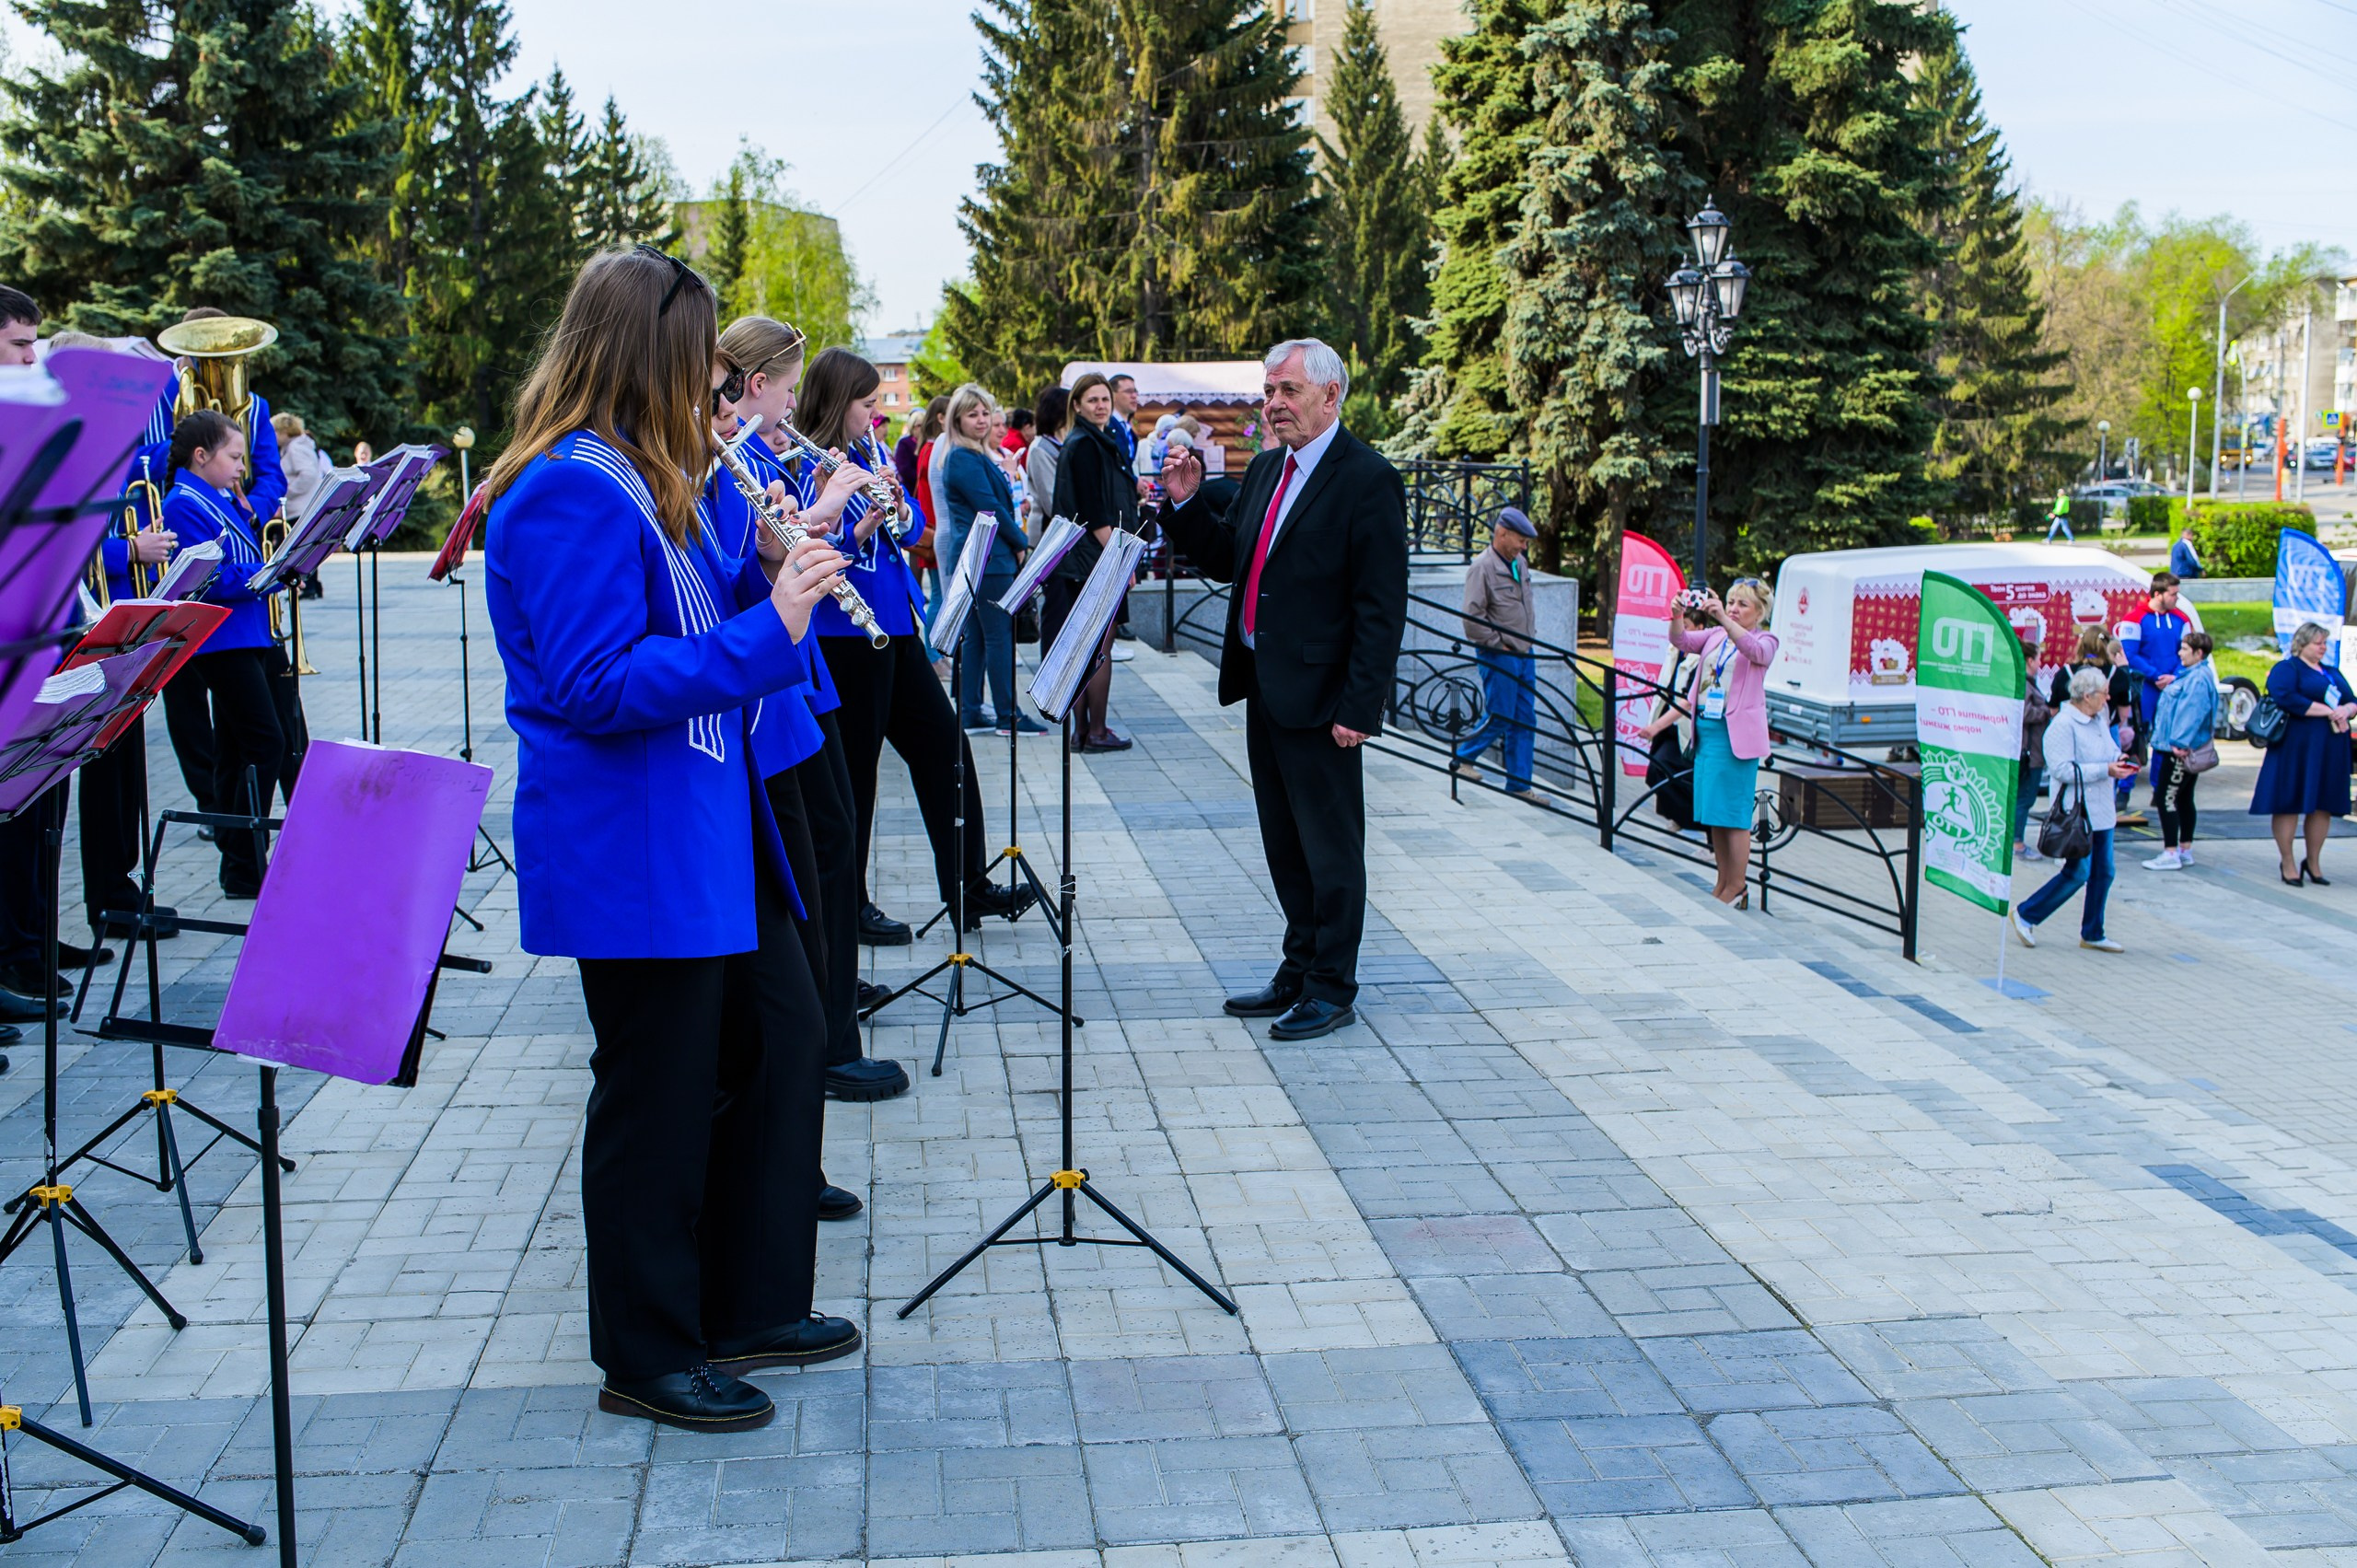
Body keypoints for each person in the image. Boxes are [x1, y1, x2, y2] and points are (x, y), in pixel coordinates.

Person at [482, 247, 861, 1434]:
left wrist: (773, 567)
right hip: (634, 844)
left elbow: (703, 625)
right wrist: (775, 621)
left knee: (779, 1042)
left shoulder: (653, 477)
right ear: (646, 352)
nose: (718, 385)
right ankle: (646, 1350)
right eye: (702, 360)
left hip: (705, 821)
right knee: (657, 1093)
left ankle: (745, 1301)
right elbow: (596, 683)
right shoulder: (567, 488)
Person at [1158, 338, 1408, 1042]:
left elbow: (1381, 607)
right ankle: (1298, 968)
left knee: (1330, 850)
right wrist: (1186, 505)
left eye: (1288, 390)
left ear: (1331, 395)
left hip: (1324, 700)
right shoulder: (1269, 467)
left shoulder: (1368, 479)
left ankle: (1332, 987)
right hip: (1265, 686)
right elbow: (1229, 559)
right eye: (1269, 390)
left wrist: (1360, 706)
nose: (1273, 403)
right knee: (1285, 843)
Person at [713, 315, 910, 1113]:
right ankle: (826, 1035)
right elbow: (734, 569)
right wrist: (822, 510)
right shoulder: (736, 457)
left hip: (798, 679)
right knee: (823, 850)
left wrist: (821, 524)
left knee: (832, 840)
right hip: (770, 686)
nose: (793, 407)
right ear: (756, 385)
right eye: (787, 390)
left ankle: (829, 1002)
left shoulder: (755, 454)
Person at [790, 348, 1030, 945]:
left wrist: (896, 507)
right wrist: (858, 526)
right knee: (857, 774)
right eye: (867, 404)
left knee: (945, 748)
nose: (875, 416)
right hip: (845, 636)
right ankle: (850, 905)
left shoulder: (866, 450)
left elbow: (914, 524)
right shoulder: (805, 461)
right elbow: (804, 547)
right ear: (838, 401)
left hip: (895, 625)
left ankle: (968, 883)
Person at [161, 411, 287, 898]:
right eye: (233, 457)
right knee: (265, 743)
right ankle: (244, 859)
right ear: (201, 456)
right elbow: (207, 577)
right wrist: (268, 573)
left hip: (247, 633)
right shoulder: (182, 502)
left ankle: (240, 867)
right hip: (221, 639)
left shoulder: (216, 497)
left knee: (237, 750)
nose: (241, 467)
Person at [939, 383, 1045, 737]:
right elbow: (991, 508)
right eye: (973, 414)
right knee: (999, 638)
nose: (982, 420)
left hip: (985, 558)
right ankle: (1007, 716)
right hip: (988, 558)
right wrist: (1022, 543)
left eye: (985, 412)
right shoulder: (963, 457)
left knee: (981, 638)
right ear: (957, 419)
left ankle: (970, 711)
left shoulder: (975, 454)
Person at [1045, 372, 1140, 751]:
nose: (1101, 406)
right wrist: (1121, 561)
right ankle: (1095, 732)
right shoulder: (1084, 443)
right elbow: (1093, 511)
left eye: (1105, 399)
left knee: (1087, 648)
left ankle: (1083, 732)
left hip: (1088, 558)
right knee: (1098, 648)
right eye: (1093, 400)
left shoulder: (1094, 439)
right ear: (1078, 406)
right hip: (1094, 559)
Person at [1671, 579, 1780, 907]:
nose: (1733, 608)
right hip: (1708, 731)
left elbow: (1754, 652)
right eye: (1731, 602)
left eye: (1742, 604)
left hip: (1736, 739)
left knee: (1733, 813)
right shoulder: (1716, 636)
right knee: (1714, 812)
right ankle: (1723, 881)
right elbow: (1681, 640)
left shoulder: (1765, 639)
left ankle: (1738, 885)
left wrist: (1723, 618)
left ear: (1760, 612)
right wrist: (1676, 615)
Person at [2013, 667, 2137, 952]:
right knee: (2078, 872)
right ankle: (2026, 914)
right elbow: (2061, 770)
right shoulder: (2063, 725)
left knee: (2104, 872)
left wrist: (2120, 759)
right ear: (2087, 696)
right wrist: (2106, 769)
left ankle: (2093, 932)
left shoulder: (2099, 718)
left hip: (2102, 811)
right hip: (2077, 812)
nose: (2108, 698)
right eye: (2104, 693)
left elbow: (2109, 749)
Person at [1449, 507, 1545, 805]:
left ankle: (1519, 784)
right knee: (1501, 714)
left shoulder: (1519, 563)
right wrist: (1497, 644)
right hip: (1500, 654)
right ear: (1502, 534)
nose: (1524, 547)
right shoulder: (1482, 567)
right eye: (1520, 540)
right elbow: (1472, 618)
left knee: (1525, 718)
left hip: (1524, 652)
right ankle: (1462, 758)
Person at [2252, 621, 2356, 887]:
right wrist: (2328, 711)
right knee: (2288, 802)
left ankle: (2313, 862)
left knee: (2322, 804)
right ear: (2302, 643)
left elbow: (2352, 700)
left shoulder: (2331, 672)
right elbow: (2285, 697)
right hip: (2295, 748)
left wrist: (2345, 710)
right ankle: (2287, 862)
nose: (2323, 648)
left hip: (2329, 748)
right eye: (2317, 643)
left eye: (2324, 643)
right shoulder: (2288, 669)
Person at [2143, 629, 2216, 870]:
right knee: (2184, 798)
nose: (2180, 653)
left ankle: (2171, 852)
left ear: (2199, 653)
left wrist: (2180, 742)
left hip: (2177, 749)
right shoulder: (2192, 675)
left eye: (2185, 649)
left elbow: (2192, 713)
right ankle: (2184, 849)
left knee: (2167, 797)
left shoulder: (2197, 679)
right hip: (2177, 746)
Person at [2013, 631, 2053, 864]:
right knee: (2025, 798)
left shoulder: (2025, 683)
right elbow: (2024, 713)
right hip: (2029, 753)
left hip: (2029, 751)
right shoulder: (2025, 685)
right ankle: (2017, 842)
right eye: (2038, 659)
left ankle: (2014, 839)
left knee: (2022, 797)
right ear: (2029, 661)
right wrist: (2048, 712)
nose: (2040, 664)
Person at [1025, 386, 1068, 532]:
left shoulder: (1063, 443)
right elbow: (1051, 502)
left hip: (1063, 529)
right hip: (1046, 532)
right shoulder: (1040, 449)